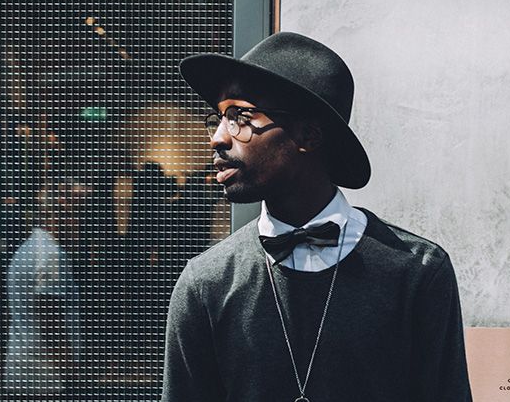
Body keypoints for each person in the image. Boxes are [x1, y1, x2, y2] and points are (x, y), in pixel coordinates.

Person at [162, 32, 472, 401]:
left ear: (308, 135)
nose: (217, 138)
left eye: (238, 117)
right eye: (217, 118)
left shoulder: (416, 270)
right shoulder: (206, 282)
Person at [5, 179, 88, 398]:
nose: (78, 225)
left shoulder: (30, 247)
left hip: (25, 370)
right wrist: (72, 374)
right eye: (74, 216)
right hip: (46, 378)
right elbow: (50, 320)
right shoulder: (50, 256)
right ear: (57, 217)